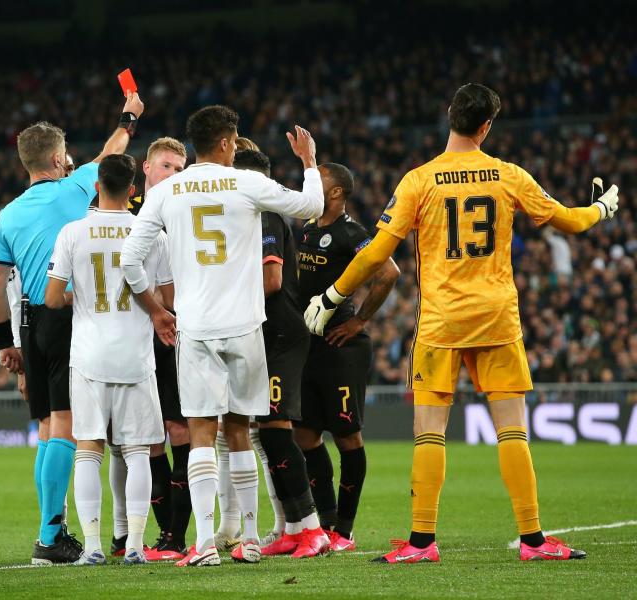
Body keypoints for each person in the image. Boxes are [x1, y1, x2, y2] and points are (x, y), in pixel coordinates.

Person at [304, 83, 617, 563]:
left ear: (449, 116)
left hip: (441, 322)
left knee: (429, 432)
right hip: (497, 318)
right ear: (486, 126)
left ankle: (422, 542)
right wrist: (602, 207)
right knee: (513, 431)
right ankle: (534, 541)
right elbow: (571, 222)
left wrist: (333, 295)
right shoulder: (508, 175)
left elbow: (377, 253)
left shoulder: (419, 180)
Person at [120, 105, 324, 566]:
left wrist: (156, 310)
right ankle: (250, 540)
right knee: (239, 432)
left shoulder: (169, 190)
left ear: (194, 144)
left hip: (196, 328)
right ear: (229, 142)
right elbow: (312, 206)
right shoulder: (246, 182)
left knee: (200, 435)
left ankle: (206, 543)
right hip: (246, 327)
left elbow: (131, 260)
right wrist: (309, 161)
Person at [0, 91, 145, 565]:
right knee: (67, 428)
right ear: (58, 159)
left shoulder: (8, 214)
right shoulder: (75, 186)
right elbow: (111, 153)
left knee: (45, 429)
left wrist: (5, 343)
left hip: (31, 322)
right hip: (64, 318)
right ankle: (49, 536)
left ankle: (50, 530)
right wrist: (129, 117)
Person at [45, 153, 174, 565]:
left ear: (97, 186)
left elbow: (51, 298)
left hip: (88, 357)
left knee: (88, 449)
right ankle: (135, 545)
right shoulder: (151, 233)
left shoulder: (72, 232)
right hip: (135, 357)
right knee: (137, 452)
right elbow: (169, 300)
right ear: (133, 191)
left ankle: (95, 547)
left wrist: (77, 295)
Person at [226, 148, 332, 559]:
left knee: (276, 430)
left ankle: (312, 529)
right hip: (268, 334)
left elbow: (270, 280)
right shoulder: (257, 213)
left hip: (281, 334)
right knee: (268, 434)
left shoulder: (265, 213)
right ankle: (291, 528)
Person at [295, 163, 399, 552]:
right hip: (307, 346)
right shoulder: (306, 228)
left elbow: (388, 272)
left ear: (336, 192)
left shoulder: (352, 234)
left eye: (318, 179)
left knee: (346, 435)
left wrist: (359, 321)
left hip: (341, 346)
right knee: (304, 434)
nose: (309, 184)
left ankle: (345, 530)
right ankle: (325, 522)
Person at [121, 136, 190, 561]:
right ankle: (156, 534)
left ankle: (178, 536)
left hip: (174, 335)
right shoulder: (122, 215)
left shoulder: (184, 216)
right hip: (132, 339)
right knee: (147, 442)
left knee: (181, 429)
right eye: (166, 166)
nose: (173, 176)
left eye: (181, 170)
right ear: (146, 169)